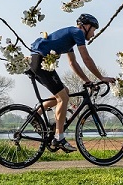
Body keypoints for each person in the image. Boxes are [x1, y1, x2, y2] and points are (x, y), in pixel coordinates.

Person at [28, 13, 117, 153]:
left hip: (37, 60)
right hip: (40, 60)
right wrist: (101, 77)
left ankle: (35, 115)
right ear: (86, 26)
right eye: (93, 30)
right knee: (63, 97)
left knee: (65, 93)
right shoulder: (77, 33)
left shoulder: (70, 37)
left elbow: (73, 63)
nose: (93, 35)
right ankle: (59, 137)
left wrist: (87, 81)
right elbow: (86, 58)